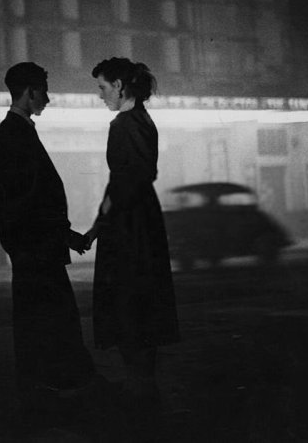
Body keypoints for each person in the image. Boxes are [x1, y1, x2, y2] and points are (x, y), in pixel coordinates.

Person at [0, 61, 97, 414]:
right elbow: (24, 197)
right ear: (30, 92)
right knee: (51, 318)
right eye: (44, 91)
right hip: (35, 248)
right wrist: (59, 234)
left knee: (44, 318)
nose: (48, 99)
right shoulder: (13, 134)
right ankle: (59, 386)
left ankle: (55, 384)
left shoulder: (17, 131)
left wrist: (62, 235)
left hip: (35, 245)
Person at [84, 57, 179, 401]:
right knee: (144, 301)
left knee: (124, 301)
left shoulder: (123, 124)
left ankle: (137, 385)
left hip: (127, 224)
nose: (100, 95)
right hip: (144, 219)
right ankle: (144, 381)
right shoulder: (144, 121)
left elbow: (122, 182)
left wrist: (100, 224)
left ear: (120, 86)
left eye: (103, 87)